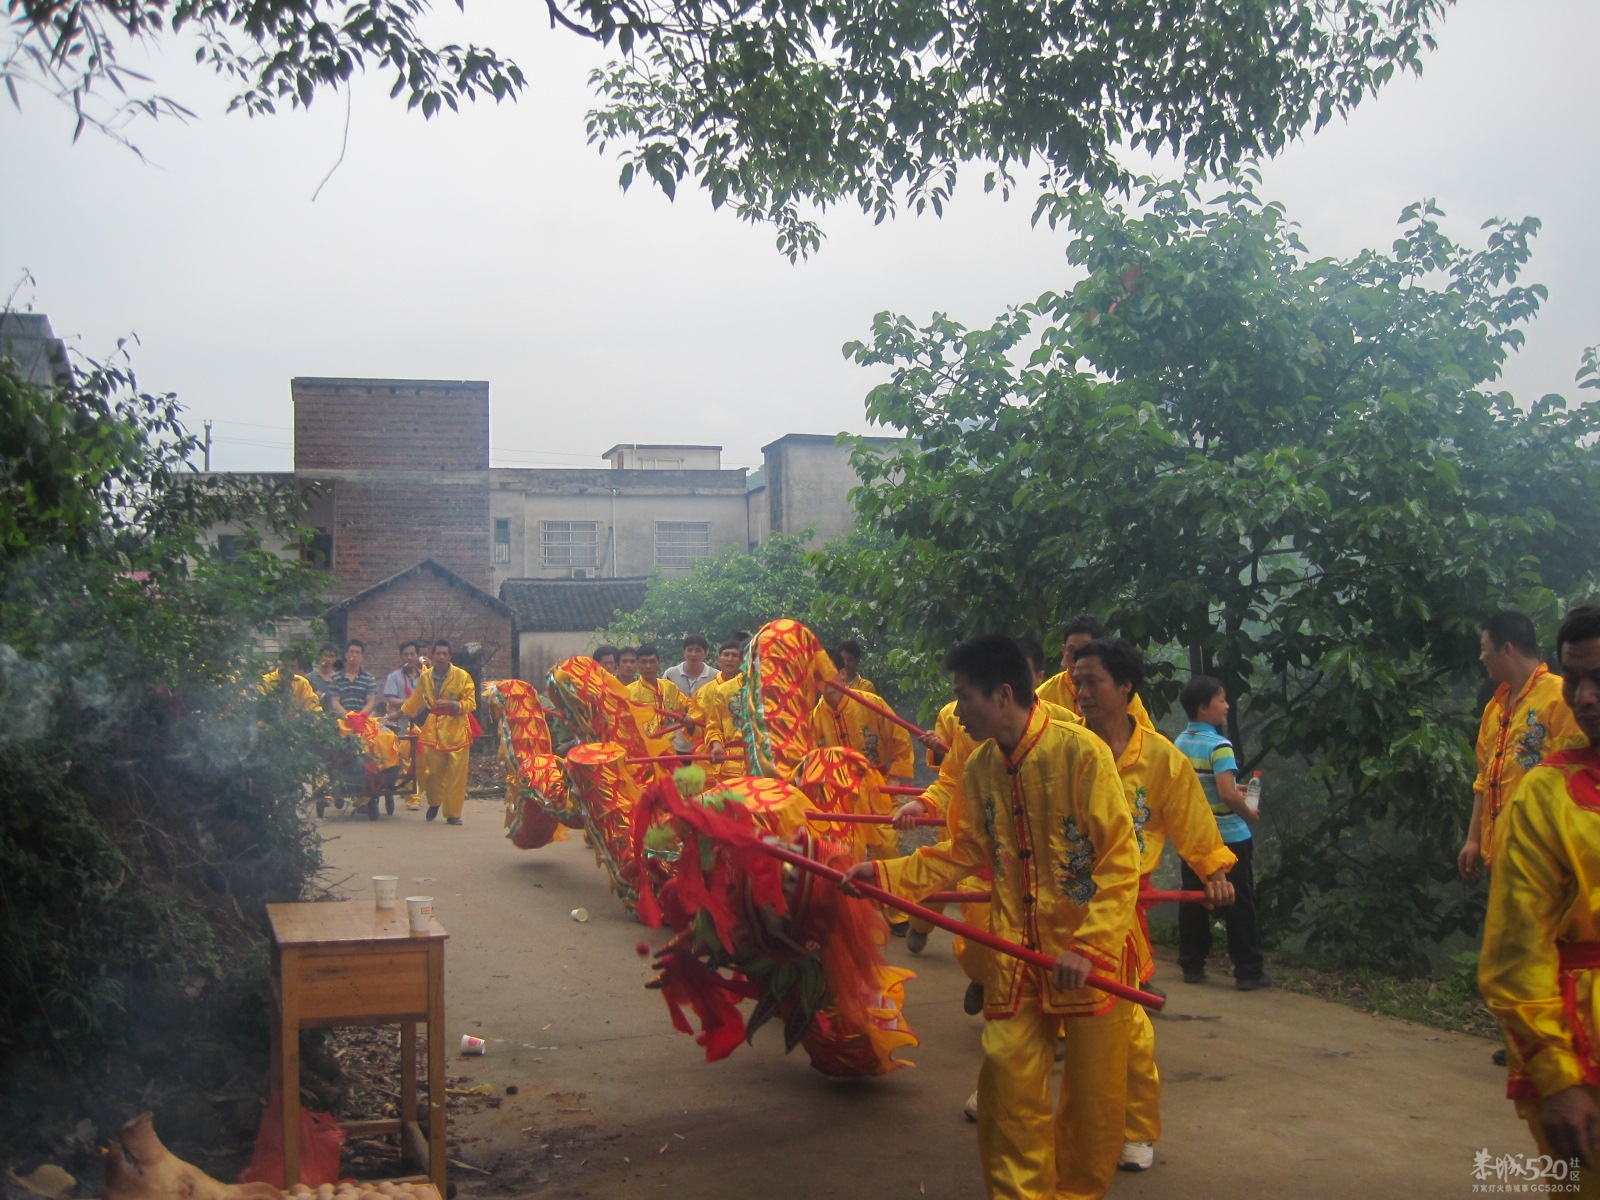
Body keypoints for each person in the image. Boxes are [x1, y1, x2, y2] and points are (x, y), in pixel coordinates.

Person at [844, 635, 1140, 1200]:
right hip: (1016, 954)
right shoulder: (979, 766)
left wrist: (1092, 946)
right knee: (1006, 1085)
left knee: (1092, 1102)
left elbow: (1119, 861)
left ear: (1003, 694)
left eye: (963, 697)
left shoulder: (1080, 753)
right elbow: (963, 852)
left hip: (1087, 958)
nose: (955, 711)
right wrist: (882, 877)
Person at [1073, 638, 1236, 1173]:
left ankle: (1137, 1128)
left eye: (1093, 681)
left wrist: (1213, 869)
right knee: (1032, 1009)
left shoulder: (1161, 757)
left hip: (1120, 910)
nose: (1082, 692)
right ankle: (1008, 1089)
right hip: (1058, 899)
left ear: (1125, 688)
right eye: (1077, 682)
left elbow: (1191, 818)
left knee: (1127, 1022)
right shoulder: (1064, 746)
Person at [1479, 603, 1600, 1191]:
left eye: (1599, 680)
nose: (1585, 699)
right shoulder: (1548, 794)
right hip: (1584, 1033)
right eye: (1578, 681)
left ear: (1505, 646)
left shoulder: (1544, 697)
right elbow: (1515, 956)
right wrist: (1560, 1076)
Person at [894, 638, 1078, 965]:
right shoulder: (964, 722)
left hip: (1038, 858)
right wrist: (924, 803)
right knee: (944, 893)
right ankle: (923, 927)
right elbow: (950, 775)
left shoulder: (1071, 732)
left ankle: (989, 979)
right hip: (969, 832)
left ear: (1036, 677)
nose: (960, 708)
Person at [1460, 610, 1582, 883]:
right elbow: (1484, 779)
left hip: (1548, 862)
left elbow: (1577, 776)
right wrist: (1473, 840)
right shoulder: (1494, 709)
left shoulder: (1559, 698)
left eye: (1484, 649)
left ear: (1507, 649)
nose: (1481, 657)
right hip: (1502, 860)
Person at [1173, 676, 1268, 990]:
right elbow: (1227, 794)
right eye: (1222, 700)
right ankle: (1248, 971)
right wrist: (1248, 812)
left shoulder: (1180, 742)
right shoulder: (1219, 745)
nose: (1227, 706)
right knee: (1238, 900)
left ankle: (1192, 964)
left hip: (1195, 837)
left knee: (1195, 898)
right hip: (1229, 836)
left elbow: (1199, 785)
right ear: (1203, 707)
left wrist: (1229, 789)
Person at [812, 643, 915, 931]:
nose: (822, 680)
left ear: (842, 673)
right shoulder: (814, 718)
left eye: (826, 672)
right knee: (842, 852)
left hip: (878, 787)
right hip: (840, 794)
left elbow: (900, 738)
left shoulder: (871, 702)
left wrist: (895, 778)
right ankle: (847, 914)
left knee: (887, 848)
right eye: (815, 675)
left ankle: (898, 915)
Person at [401, 640, 478, 825]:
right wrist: (399, 713)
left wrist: (454, 705)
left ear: (450, 656)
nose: (442, 657)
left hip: (457, 730)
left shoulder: (462, 676)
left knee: (456, 776)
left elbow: (471, 703)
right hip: (433, 729)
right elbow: (416, 699)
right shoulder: (426, 677)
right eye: (438, 654)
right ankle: (435, 802)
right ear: (433, 655)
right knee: (432, 772)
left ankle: (453, 814)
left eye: (445, 654)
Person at [1036, 615, 1153, 730]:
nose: (1076, 658)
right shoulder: (1044, 695)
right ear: (1063, 651)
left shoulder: (1120, 691)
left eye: (1083, 650)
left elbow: (1146, 739)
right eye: (1071, 650)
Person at [697, 639, 748, 780]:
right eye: (726, 655)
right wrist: (716, 745)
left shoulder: (771, 688)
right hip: (729, 759)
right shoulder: (723, 690)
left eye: (735, 655)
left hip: (765, 759)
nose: (730, 659)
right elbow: (713, 726)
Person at [664, 635, 715, 751]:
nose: (693, 654)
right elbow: (665, 704)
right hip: (675, 742)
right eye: (690, 650)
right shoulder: (670, 674)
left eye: (698, 650)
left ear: (705, 654)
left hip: (704, 744)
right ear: (684, 652)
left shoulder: (715, 676)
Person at [628, 644, 688, 740]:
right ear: (637, 664)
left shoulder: (669, 687)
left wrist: (688, 717)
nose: (648, 666)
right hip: (642, 749)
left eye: (652, 661)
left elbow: (684, 708)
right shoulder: (629, 691)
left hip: (668, 748)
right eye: (643, 662)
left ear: (659, 663)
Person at [326, 639, 379, 717]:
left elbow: (371, 702)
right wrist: (348, 717)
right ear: (346, 655)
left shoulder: (369, 679)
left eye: (358, 653)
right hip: (341, 722)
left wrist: (359, 718)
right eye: (351, 652)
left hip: (362, 722)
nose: (354, 655)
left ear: (362, 657)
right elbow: (335, 702)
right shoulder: (335, 678)